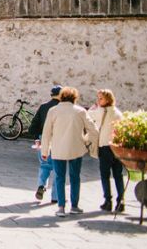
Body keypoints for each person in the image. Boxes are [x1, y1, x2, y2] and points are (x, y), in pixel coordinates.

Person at [41, 87, 99, 218]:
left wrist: (45, 150)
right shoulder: (80, 111)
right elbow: (94, 130)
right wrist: (86, 141)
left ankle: (61, 207)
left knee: (59, 178)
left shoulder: (53, 111)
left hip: (57, 149)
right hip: (76, 149)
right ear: (75, 98)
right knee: (75, 178)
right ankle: (74, 206)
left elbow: (46, 133)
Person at [89, 89, 125, 212]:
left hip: (105, 146)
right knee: (118, 175)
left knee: (105, 175)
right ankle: (121, 201)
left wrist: (92, 108)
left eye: (101, 98)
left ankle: (108, 201)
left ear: (108, 99)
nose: (98, 101)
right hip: (117, 147)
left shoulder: (100, 111)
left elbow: (88, 116)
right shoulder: (118, 113)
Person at [28, 84, 62, 203]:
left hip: (44, 140)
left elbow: (33, 127)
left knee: (45, 165)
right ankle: (56, 197)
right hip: (59, 140)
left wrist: (37, 138)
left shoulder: (43, 107)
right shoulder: (63, 108)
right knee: (59, 169)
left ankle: (41, 185)